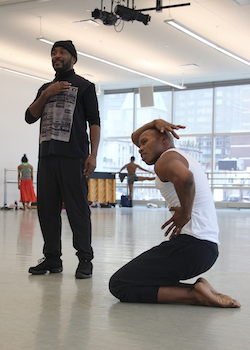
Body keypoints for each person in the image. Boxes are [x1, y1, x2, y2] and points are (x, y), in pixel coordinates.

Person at [109, 119, 240, 308]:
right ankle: (200, 289)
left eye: (145, 142)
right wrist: (154, 122)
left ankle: (195, 295)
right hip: (205, 247)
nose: (140, 148)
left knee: (120, 284)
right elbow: (134, 137)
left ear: (164, 140)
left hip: (193, 246)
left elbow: (186, 179)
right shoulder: (179, 156)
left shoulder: (165, 160)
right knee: (140, 278)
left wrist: (185, 214)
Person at [25, 40, 100, 279]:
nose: (57, 56)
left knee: (77, 210)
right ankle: (52, 259)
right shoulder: (45, 88)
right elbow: (29, 116)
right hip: (47, 156)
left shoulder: (85, 86)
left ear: (73, 58)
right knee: (47, 210)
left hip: (74, 156)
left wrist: (93, 155)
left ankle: (85, 259)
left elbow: (94, 122)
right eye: (54, 52)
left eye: (62, 52)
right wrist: (48, 93)